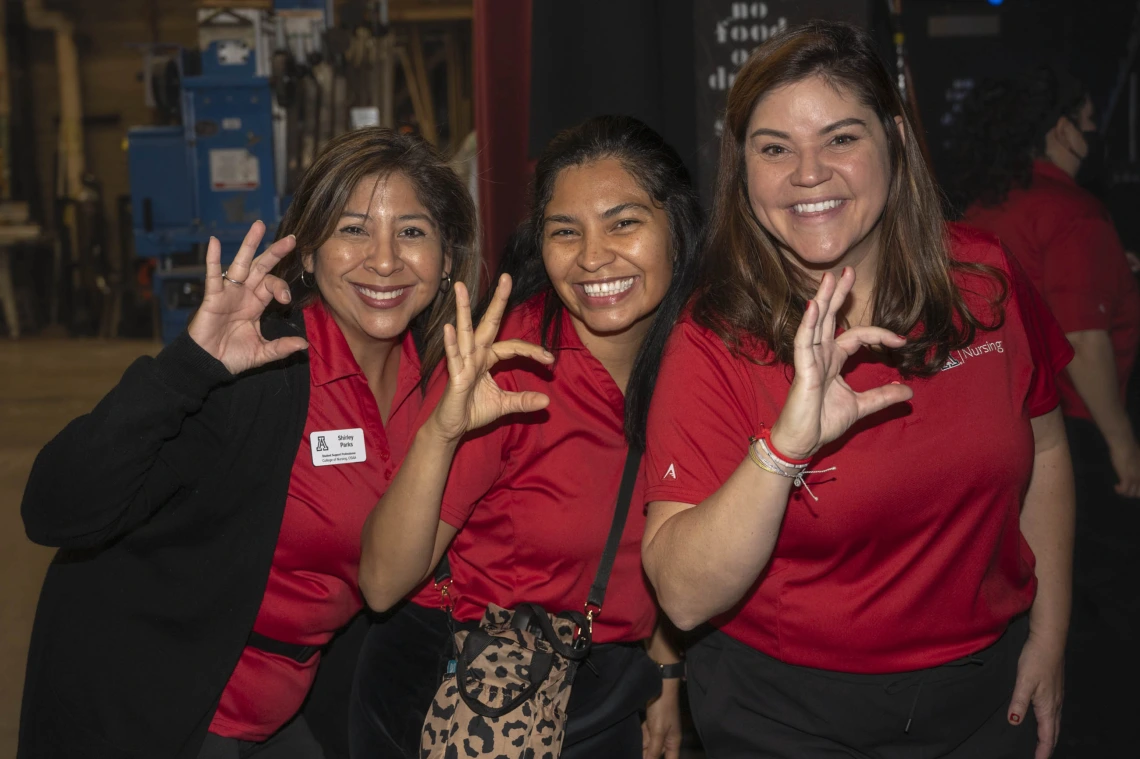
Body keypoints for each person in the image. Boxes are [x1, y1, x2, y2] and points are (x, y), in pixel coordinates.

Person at [640, 22, 1075, 759]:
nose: (808, 173)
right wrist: (783, 450)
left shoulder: (984, 279)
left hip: (982, 696)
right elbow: (681, 593)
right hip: (785, 716)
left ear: (895, 139)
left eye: (840, 137)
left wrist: (1052, 633)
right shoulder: (713, 335)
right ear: (743, 170)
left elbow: (1049, 445)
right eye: (774, 148)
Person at [18, 128, 479, 759]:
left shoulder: (446, 386)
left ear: (448, 255)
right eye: (352, 229)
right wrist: (188, 366)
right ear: (308, 254)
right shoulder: (261, 372)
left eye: (413, 231)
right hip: (162, 709)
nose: (384, 259)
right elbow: (54, 508)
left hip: (295, 707)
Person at [350, 115, 703, 759]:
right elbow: (379, 583)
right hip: (467, 694)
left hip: (602, 692)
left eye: (623, 222)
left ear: (675, 227)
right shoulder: (511, 363)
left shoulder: (701, 362)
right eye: (564, 231)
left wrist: (667, 670)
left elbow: (657, 537)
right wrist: (441, 430)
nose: (593, 256)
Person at [954, 66, 1140, 751]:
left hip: (993, 437)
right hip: (1077, 441)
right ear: (1058, 126)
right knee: (1104, 619)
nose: (1091, 139)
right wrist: (1124, 445)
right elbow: (1085, 346)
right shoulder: (1074, 212)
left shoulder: (981, 206)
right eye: (1087, 124)